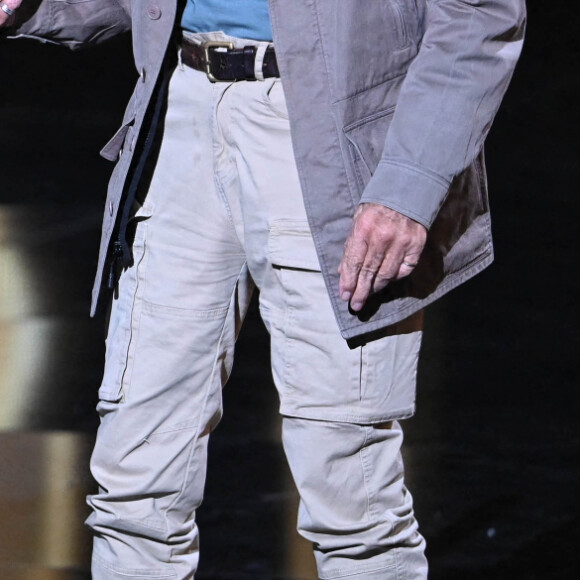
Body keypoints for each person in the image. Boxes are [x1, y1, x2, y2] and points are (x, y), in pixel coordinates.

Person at [1, 1, 526, 578]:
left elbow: (479, 15)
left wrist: (410, 181)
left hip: (339, 135)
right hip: (183, 112)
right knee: (135, 485)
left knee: (351, 498)